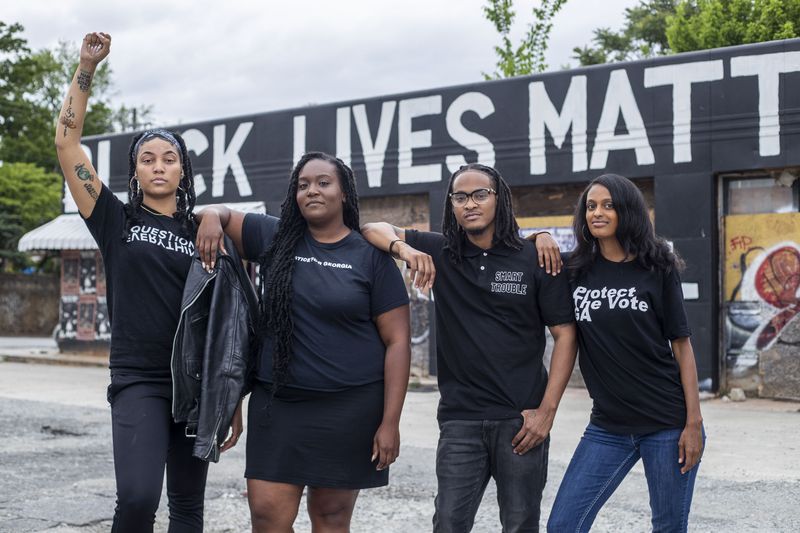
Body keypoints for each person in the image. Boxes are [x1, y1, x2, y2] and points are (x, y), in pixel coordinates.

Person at [55, 32, 241, 532]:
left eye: (169, 159)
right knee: (137, 498)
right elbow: (66, 141)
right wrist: (86, 68)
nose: (159, 166)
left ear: (183, 169)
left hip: (196, 385)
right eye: (147, 159)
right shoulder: (114, 220)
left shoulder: (204, 230)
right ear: (135, 171)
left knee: (186, 506)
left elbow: (227, 319)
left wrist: (230, 396)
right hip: (139, 378)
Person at [195, 151, 411, 532]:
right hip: (279, 405)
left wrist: (389, 422)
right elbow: (217, 212)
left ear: (344, 193)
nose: (312, 190)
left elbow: (398, 342)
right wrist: (212, 218)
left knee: (330, 517)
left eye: (324, 183)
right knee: (267, 516)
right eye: (303, 184)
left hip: (349, 408)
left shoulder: (370, 257)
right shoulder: (275, 237)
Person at [361, 163, 578, 533]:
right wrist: (404, 249)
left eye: (480, 194)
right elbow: (370, 229)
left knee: (521, 523)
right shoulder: (441, 251)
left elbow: (565, 335)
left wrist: (546, 412)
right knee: (448, 522)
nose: (470, 203)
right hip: (460, 420)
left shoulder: (534, 258)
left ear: (500, 199)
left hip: (521, 421)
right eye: (460, 197)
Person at [547, 173, 705, 533]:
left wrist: (692, 422)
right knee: (563, 525)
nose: (597, 213)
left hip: (666, 423)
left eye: (608, 205)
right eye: (590, 206)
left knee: (667, 527)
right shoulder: (574, 271)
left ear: (627, 212)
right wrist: (541, 236)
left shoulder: (656, 266)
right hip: (608, 426)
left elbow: (681, 345)